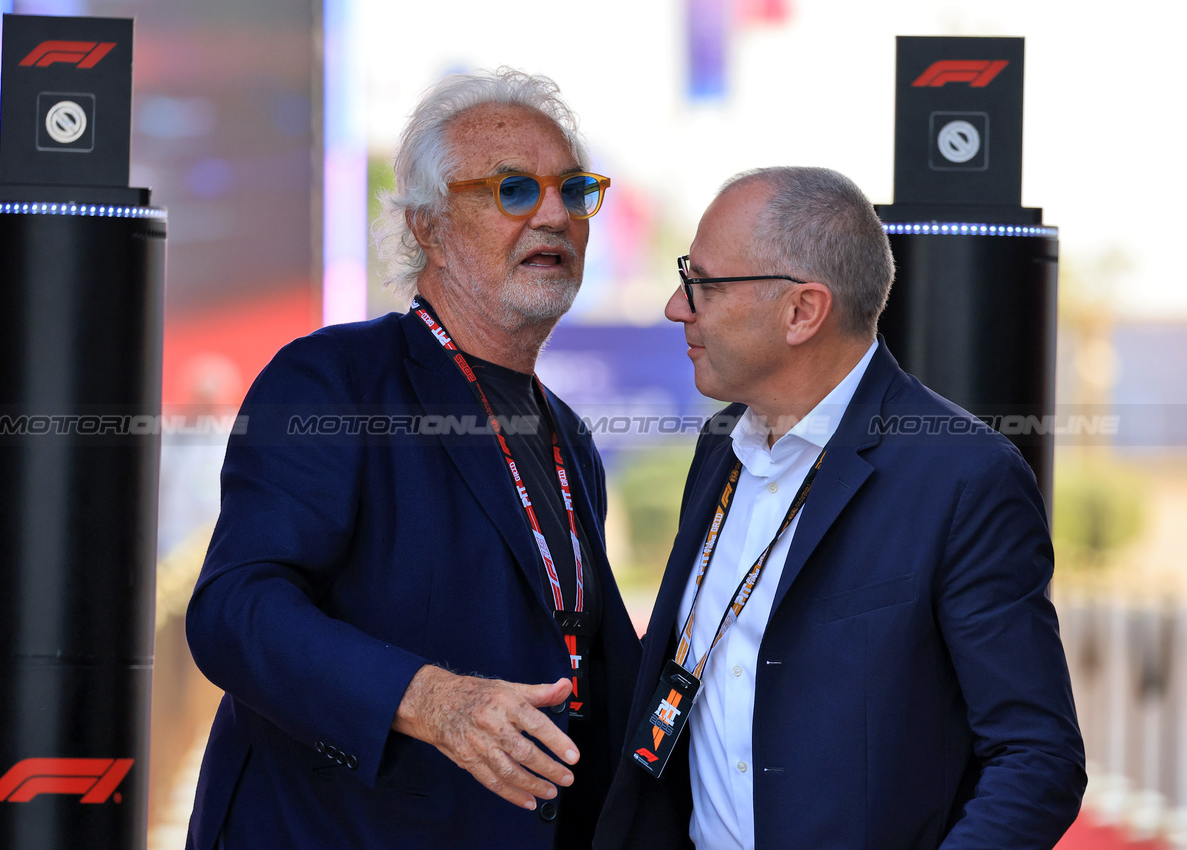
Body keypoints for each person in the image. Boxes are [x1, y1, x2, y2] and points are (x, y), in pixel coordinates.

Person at [185, 68, 641, 849]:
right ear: (427, 226)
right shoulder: (332, 379)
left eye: (572, 189)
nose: (555, 216)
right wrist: (431, 700)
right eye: (512, 190)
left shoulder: (565, 434)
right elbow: (234, 611)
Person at [593, 167, 1085, 850]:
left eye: (701, 282)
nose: (676, 306)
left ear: (802, 311)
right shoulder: (718, 449)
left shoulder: (961, 476)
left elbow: (1036, 757)